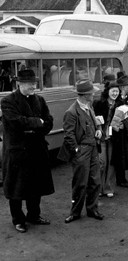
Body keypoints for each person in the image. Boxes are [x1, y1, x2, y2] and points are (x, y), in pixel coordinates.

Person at [1, 69, 54, 233]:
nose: (33, 86)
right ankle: (18, 219)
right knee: (17, 188)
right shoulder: (8, 101)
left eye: (34, 83)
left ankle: (34, 215)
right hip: (18, 152)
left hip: (36, 150)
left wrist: (33, 127)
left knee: (35, 186)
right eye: (30, 83)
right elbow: (16, 123)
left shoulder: (40, 99)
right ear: (19, 84)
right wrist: (37, 122)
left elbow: (49, 122)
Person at [58, 79, 104, 223]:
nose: (94, 95)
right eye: (92, 93)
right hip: (82, 150)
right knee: (80, 183)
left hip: (92, 148)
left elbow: (95, 122)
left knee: (95, 180)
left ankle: (92, 209)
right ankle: (75, 212)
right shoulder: (71, 112)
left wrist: (98, 130)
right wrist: (76, 149)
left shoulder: (88, 106)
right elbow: (68, 134)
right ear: (85, 95)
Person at [93, 81, 120, 198]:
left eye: (117, 91)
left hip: (114, 137)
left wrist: (121, 125)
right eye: (113, 91)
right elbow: (93, 119)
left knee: (112, 163)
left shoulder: (121, 104)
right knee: (101, 163)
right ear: (107, 91)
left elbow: (124, 120)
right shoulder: (99, 103)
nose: (115, 93)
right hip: (101, 137)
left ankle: (108, 188)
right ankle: (98, 188)